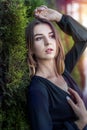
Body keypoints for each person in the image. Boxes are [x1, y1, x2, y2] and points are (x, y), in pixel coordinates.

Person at [26, 5, 87, 130]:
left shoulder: (63, 71)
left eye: (51, 36)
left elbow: (83, 38)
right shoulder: (38, 90)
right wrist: (80, 123)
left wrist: (59, 17)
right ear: (31, 48)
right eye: (39, 38)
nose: (48, 42)